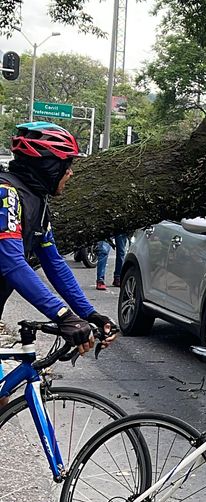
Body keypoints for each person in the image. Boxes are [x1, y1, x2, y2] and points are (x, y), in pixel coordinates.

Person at [0, 124, 117, 352]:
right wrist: (62, 315)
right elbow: (11, 262)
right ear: (49, 167)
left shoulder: (37, 202)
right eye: (67, 165)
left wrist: (89, 314)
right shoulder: (6, 194)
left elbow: (54, 263)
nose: (70, 172)